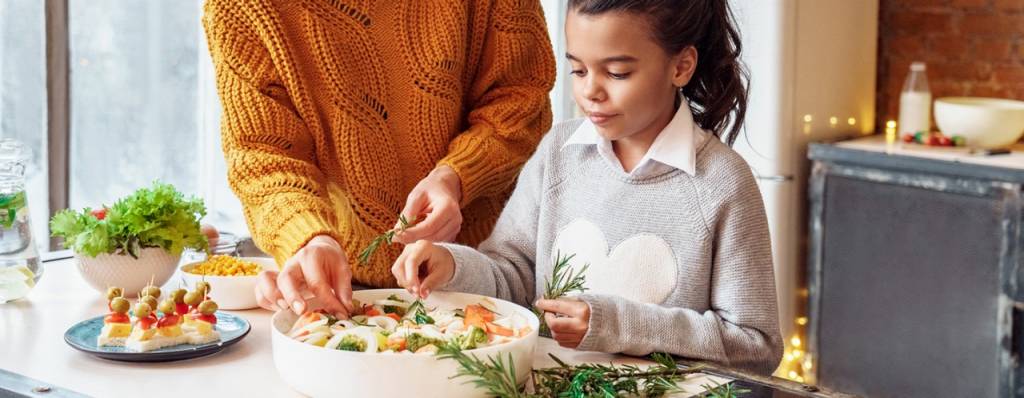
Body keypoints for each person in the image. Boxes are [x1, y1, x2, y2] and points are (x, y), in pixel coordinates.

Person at [392, 0, 783, 374]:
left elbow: (756, 346)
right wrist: (452, 265)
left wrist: (614, 323)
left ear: (681, 66)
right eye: (578, 71)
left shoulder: (723, 183)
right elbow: (512, 276)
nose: (591, 91)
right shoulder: (558, 153)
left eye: (616, 73)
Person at [202, 0, 555, 318]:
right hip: (343, 284)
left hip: (490, 272)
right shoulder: (240, 7)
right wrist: (309, 237)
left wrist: (457, 176)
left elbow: (520, 98)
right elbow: (264, 153)